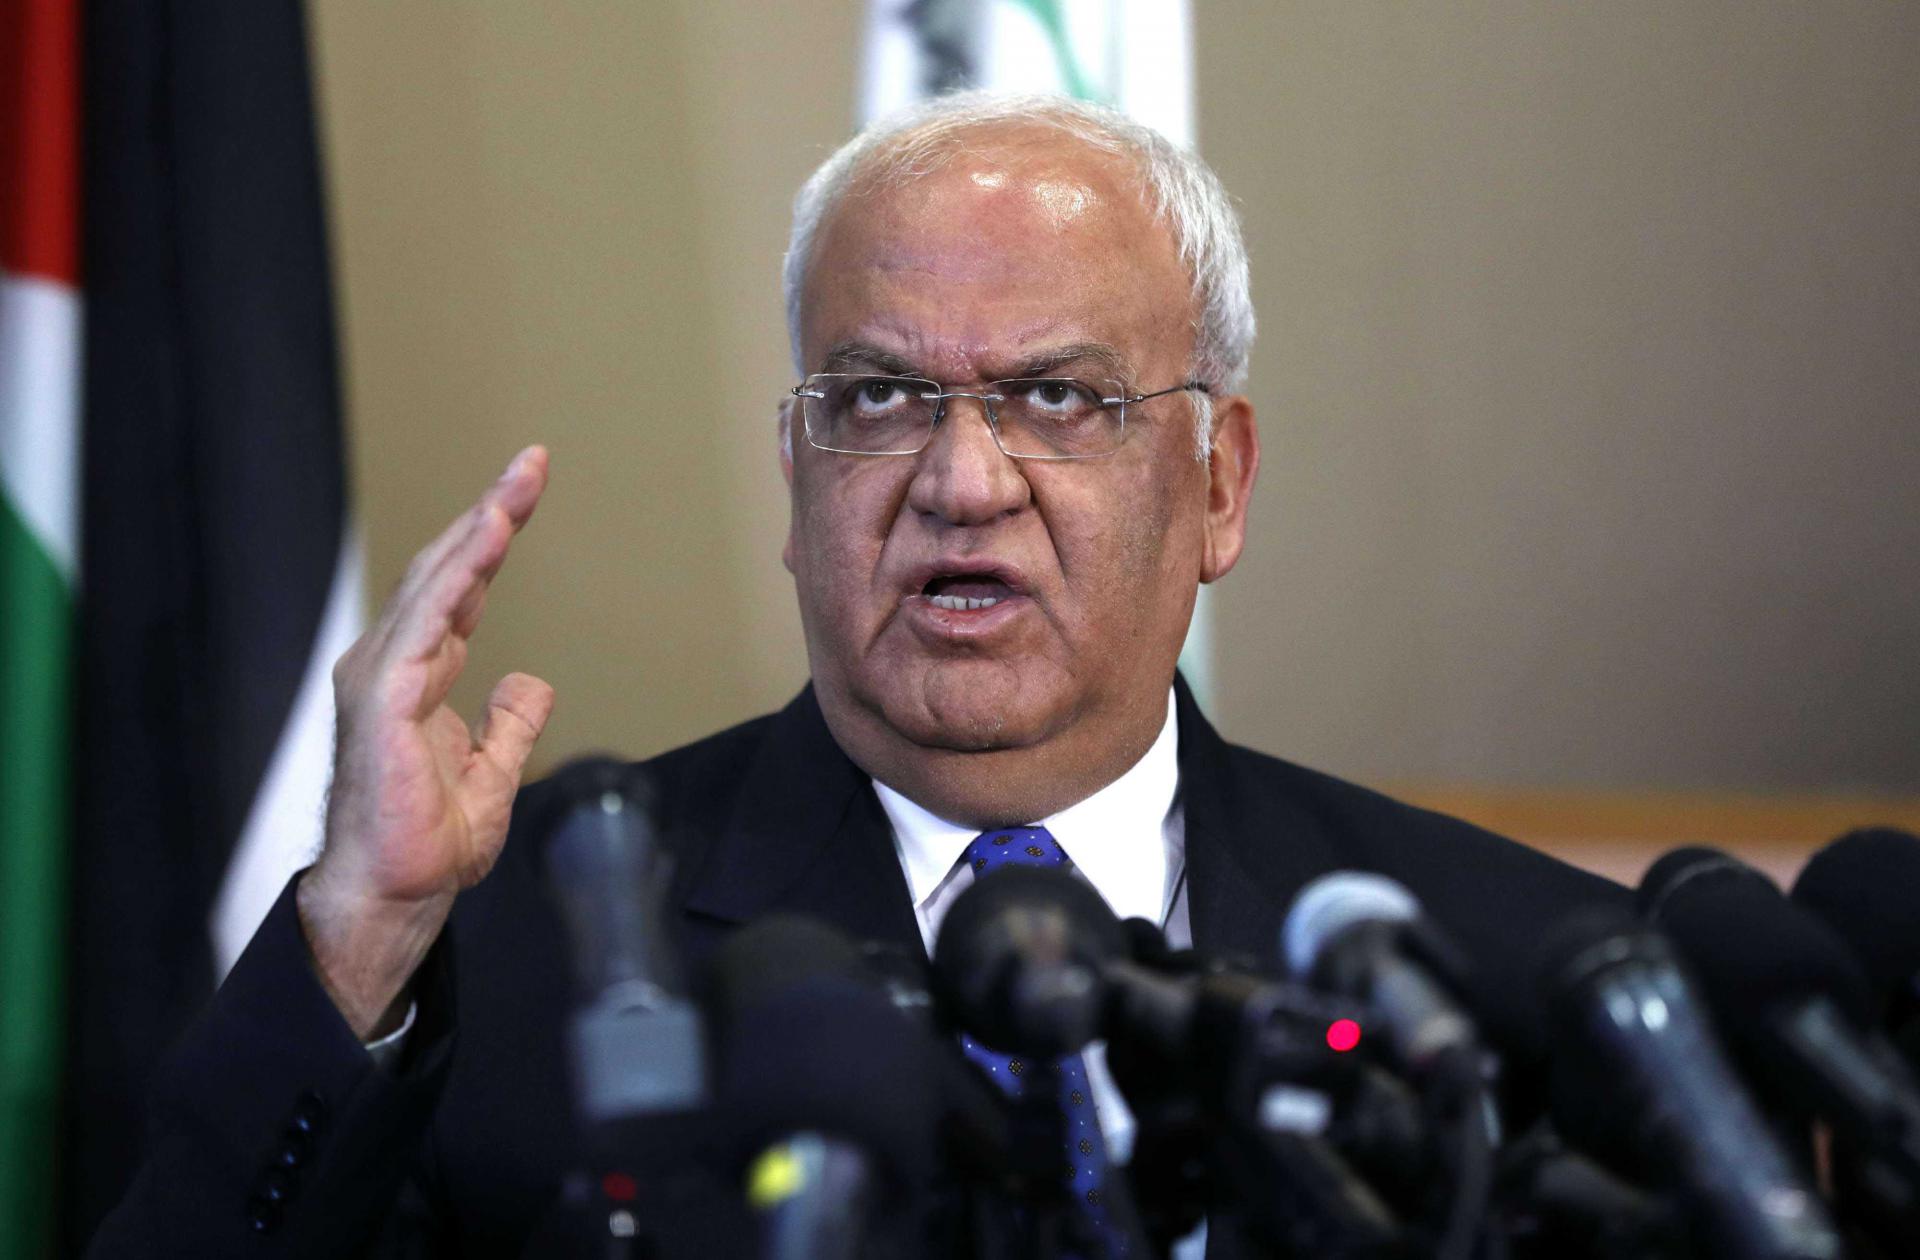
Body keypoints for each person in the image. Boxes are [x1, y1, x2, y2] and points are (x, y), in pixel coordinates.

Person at [90, 92, 1623, 1258]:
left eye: (1056, 396)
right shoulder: (499, 956)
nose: (963, 481)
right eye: (880, 395)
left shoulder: (1515, 976)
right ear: (796, 471)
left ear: (1218, 482)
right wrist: (363, 938)